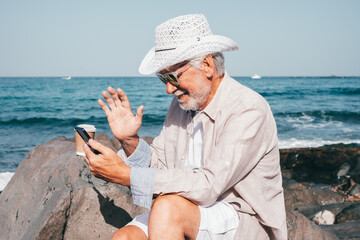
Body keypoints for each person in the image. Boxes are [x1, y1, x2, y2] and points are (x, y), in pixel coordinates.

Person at [84, 14, 287, 240]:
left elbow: (209, 186)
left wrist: (126, 176)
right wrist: (130, 141)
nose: (169, 89)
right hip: (184, 207)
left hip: (241, 216)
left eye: (172, 77)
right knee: (124, 237)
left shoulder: (248, 109)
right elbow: (160, 165)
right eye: (163, 79)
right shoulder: (181, 105)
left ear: (207, 66)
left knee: (167, 208)